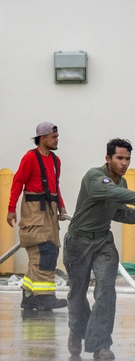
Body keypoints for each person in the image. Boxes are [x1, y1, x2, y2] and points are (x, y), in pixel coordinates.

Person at [64, 139, 135, 359]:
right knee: (77, 294)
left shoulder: (121, 184)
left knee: (106, 291)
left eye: (127, 159)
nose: (124, 163)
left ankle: (101, 344)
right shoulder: (94, 177)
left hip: (103, 242)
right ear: (108, 158)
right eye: (119, 158)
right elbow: (114, 194)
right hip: (78, 242)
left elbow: (121, 213)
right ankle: (77, 330)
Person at [7, 122, 69, 311]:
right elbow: (18, 181)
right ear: (43, 139)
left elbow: (54, 185)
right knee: (43, 252)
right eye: (54, 137)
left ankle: (29, 296)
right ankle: (44, 297)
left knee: (45, 252)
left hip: (49, 212)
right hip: (34, 211)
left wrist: (61, 206)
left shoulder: (56, 161)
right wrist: (11, 208)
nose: (57, 140)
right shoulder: (30, 158)